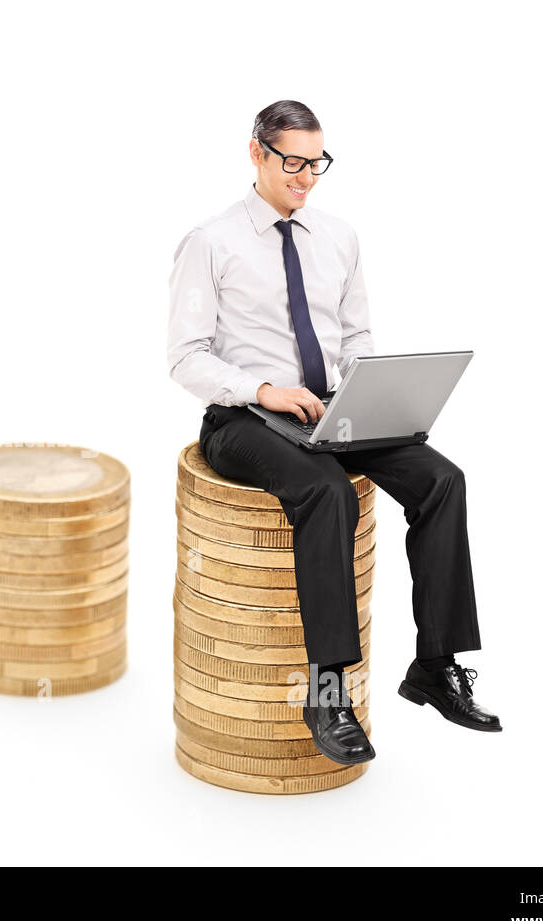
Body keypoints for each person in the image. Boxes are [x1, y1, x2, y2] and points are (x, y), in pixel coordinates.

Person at [166, 100, 501, 766]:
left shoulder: (339, 237)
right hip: (243, 417)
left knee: (442, 480)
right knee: (327, 491)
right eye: (293, 162)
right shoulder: (211, 241)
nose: (306, 177)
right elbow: (185, 356)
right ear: (257, 152)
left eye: (317, 163)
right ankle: (326, 693)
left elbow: (356, 335)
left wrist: (365, 387)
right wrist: (263, 391)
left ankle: (435, 666)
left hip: (328, 409)